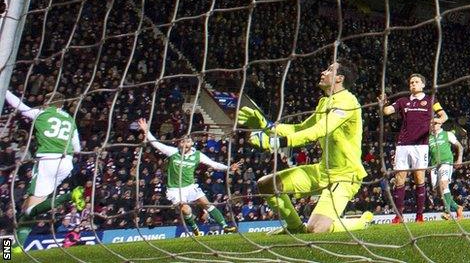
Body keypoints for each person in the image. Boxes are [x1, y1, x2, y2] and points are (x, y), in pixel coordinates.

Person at [237, 60, 373, 234]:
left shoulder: (348, 101)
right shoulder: (325, 102)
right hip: (322, 171)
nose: (323, 72)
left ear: (340, 78)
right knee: (266, 184)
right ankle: (294, 227)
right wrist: (267, 126)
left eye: (329, 69)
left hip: (345, 176)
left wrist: (274, 143)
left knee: (316, 230)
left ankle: (362, 221)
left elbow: (318, 131)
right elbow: (301, 128)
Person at [4, 90, 85, 251]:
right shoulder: (70, 120)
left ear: (47, 103)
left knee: (28, 210)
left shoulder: (42, 113)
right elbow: (78, 148)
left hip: (47, 161)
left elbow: (19, 105)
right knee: (27, 210)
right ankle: (15, 248)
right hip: (66, 163)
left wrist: (3, 89)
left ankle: (70, 195)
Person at [137, 118, 239, 235]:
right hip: (175, 189)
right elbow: (156, 144)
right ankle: (195, 229)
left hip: (190, 186)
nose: (185, 143)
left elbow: (213, 164)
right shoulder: (173, 152)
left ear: (191, 144)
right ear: (180, 143)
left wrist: (229, 168)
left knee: (207, 204)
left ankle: (225, 227)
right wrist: (146, 131)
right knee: (186, 210)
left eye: (188, 141)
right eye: (183, 141)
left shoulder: (197, 155)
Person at [378, 74, 447, 223]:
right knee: (399, 179)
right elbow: (387, 111)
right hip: (403, 145)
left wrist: (436, 122)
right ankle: (398, 216)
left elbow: (444, 116)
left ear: (422, 85)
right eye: (411, 82)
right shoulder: (403, 101)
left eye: (416, 82)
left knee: (419, 178)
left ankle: (419, 215)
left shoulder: (431, 101)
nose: (413, 84)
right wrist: (383, 104)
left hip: (421, 146)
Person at [428, 123, 463, 220]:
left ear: (440, 124)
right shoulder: (429, 138)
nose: (433, 125)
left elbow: (460, 146)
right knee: (439, 193)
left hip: (446, 162)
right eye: (431, 124)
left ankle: (447, 212)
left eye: (435, 123)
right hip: (434, 165)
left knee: (444, 184)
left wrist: (459, 159)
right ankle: (457, 207)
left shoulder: (447, 134)